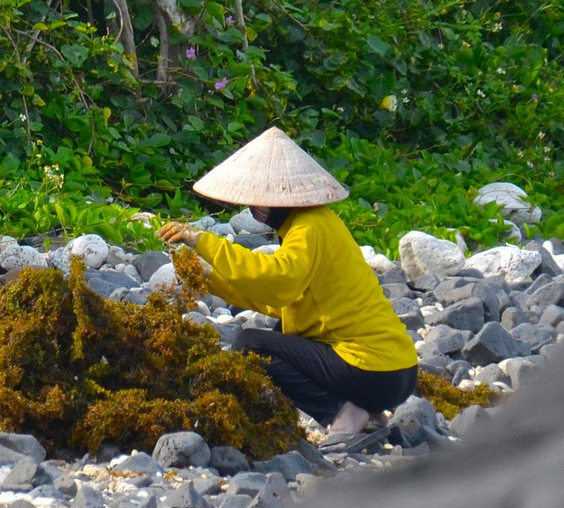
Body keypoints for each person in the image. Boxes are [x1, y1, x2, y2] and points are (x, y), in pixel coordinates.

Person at [157, 126, 418, 445]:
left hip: (373, 371)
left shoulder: (308, 229)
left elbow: (277, 279)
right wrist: (210, 280)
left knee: (251, 345)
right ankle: (369, 412)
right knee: (284, 331)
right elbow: (283, 300)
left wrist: (202, 241)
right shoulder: (319, 221)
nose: (255, 208)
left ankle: (340, 413)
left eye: (260, 201)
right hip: (398, 372)